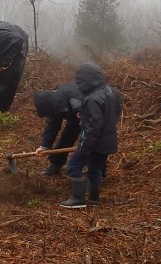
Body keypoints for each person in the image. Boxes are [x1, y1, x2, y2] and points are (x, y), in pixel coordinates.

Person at [59, 64, 123, 208]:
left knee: (73, 167)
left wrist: (84, 147)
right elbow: (115, 111)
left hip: (94, 142)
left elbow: (92, 126)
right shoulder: (112, 91)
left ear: (87, 80)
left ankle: (78, 199)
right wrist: (84, 115)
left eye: (80, 81)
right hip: (108, 141)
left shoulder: (91, 98)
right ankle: (94, 199)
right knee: (94, 168)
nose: (79, 85)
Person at [32, 81, 84, 177]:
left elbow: (93, 122)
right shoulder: (52, 102)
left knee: (90, 142)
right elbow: (53, 124)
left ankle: (97, 170)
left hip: (92, 114)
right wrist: (44, 145)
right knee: (68, 136)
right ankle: (56, 164)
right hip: (74, 116)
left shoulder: (75, 97)